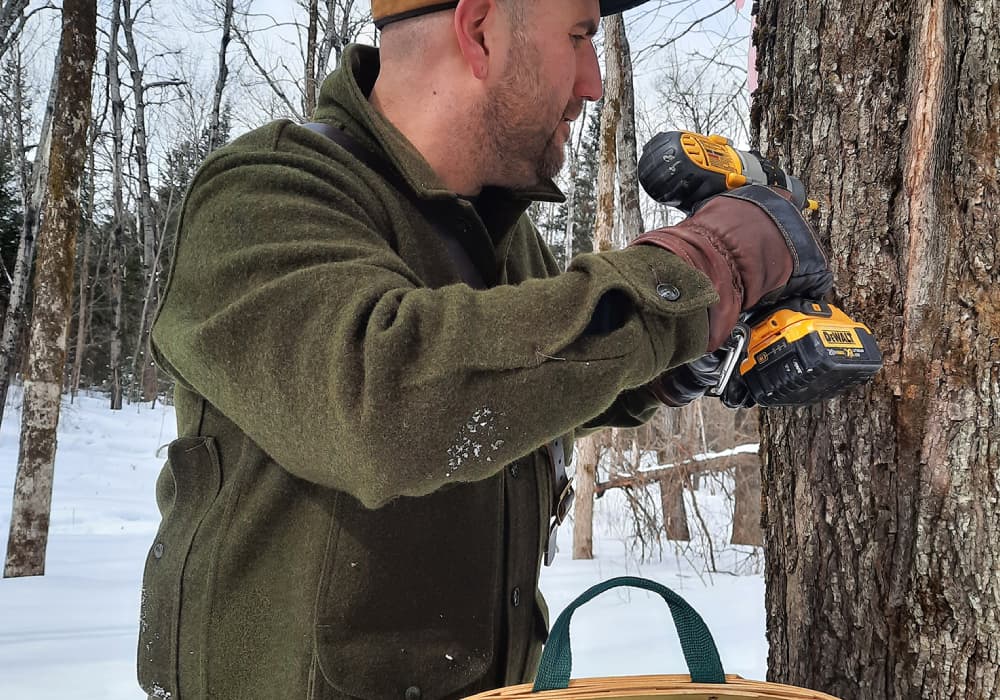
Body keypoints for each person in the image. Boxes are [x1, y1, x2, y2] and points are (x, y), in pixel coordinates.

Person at [137, 1, 831, 698]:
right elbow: (388, 405)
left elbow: (512, 389)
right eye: (581, 37)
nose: (593, 82)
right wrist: (707, 265)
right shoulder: (265, 196)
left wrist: (665, 373)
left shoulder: (497, 232)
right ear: (478, 32)